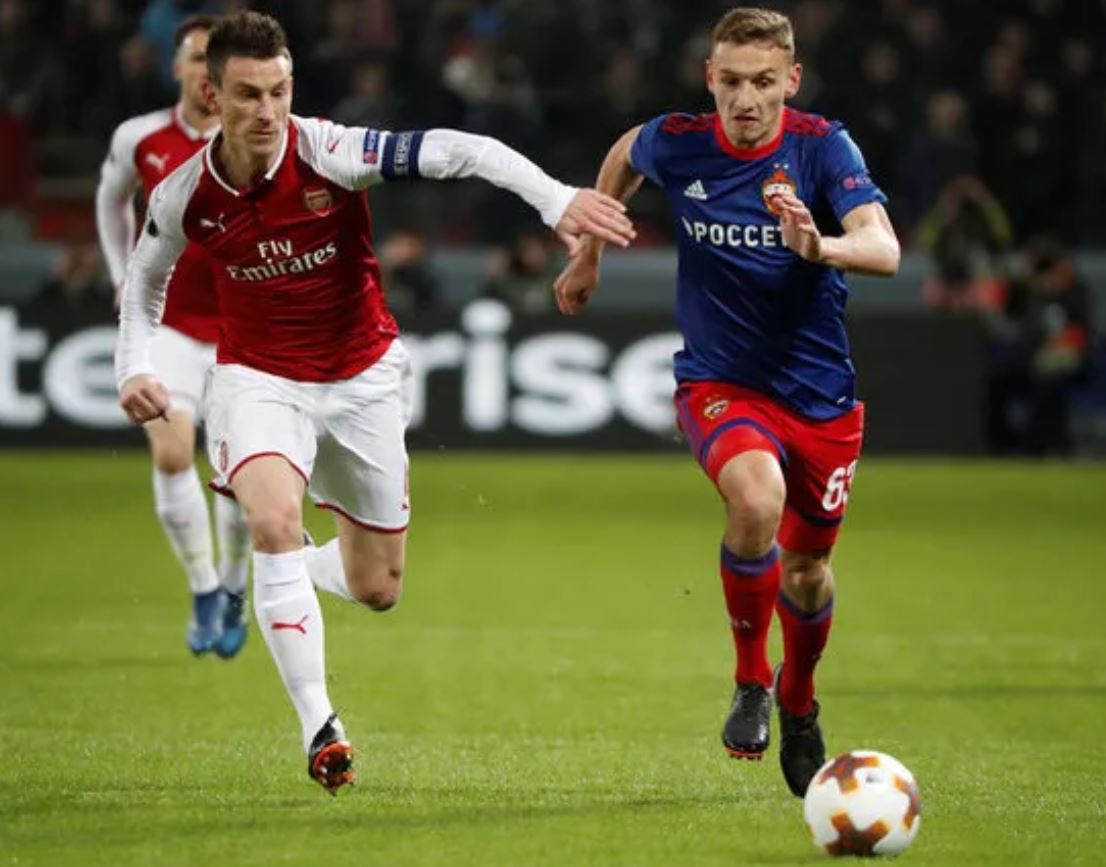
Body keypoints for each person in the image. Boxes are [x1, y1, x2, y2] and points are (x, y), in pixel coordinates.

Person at [114, 10, 635, 793]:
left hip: (361, 379)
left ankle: (286, 570)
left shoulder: (330, 152)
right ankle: (320, 725)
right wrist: (133, 366)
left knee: (377, 586)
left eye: (279, 91)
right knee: (271, 519)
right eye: (249, 94)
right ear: (212, 97)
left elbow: (463, 151)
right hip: (258, 379)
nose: (268, 110)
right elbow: (145, 281)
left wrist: (554, 198)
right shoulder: (183, 194)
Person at [553, 6, 899, 798]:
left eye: (764, 82)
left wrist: (820, 246)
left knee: (808, 570)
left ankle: (798, 698)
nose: (746, 99)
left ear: (791, 80)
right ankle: (750, 678)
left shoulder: (823, 147)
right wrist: (590, 252)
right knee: (755, 500)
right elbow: (625, 153)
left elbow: (883, 246)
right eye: (732, 81)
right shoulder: (682, 140)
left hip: (819, 398)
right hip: (720, 382)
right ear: (710, 78)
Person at [96, 15, 253, 661]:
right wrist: (120, 274)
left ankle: (236, 585)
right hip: (169, 325)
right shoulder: (140, 137)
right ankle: (204, 588)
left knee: (240, 475)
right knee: (170, 453)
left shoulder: (256, 137)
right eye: (194, 56)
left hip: (245, 331)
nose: (202, 69)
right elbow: (110, 199)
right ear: (179, 67)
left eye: (213, 58)